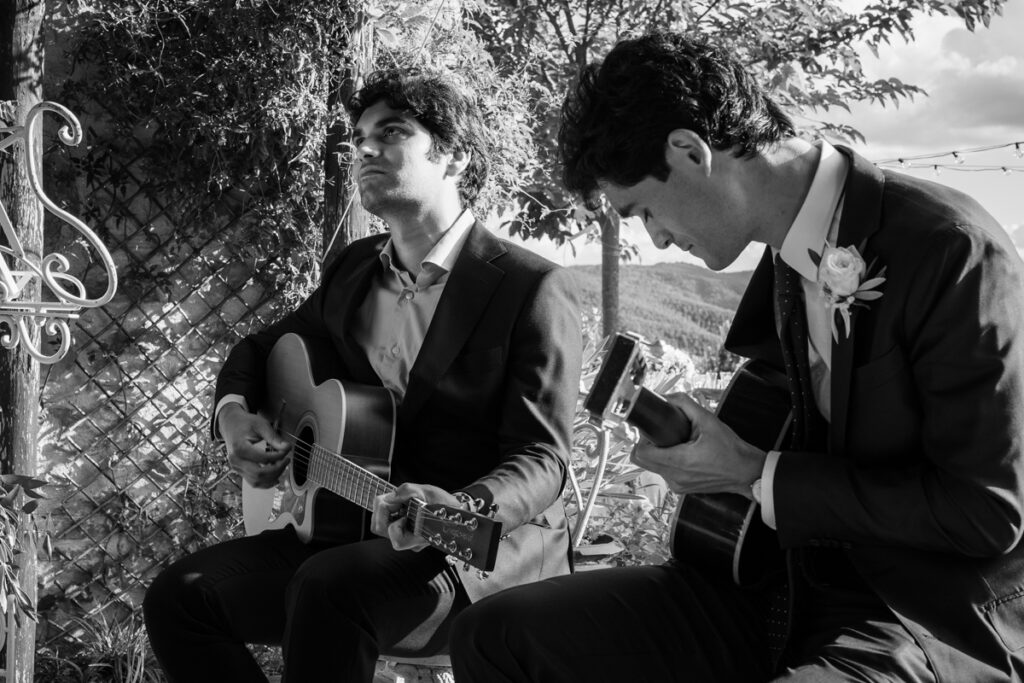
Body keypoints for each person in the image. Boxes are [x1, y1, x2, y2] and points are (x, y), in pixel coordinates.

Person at [449, 31, 1024, 682]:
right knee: (497, 634)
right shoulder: (783, 265)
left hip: (922, 611)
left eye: (641, 211)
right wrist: (708, 454)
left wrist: (757, 473)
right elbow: (783, 422)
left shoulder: (952, 248)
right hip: (773, 585)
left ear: (690, 152)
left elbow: (987, 513)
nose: (657, 236)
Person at [143, 68, 582, 682]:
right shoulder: (353, 267)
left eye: (392, 132)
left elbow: (542, 458)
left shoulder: (530, 287)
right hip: (346, 529)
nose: (365, 148)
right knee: (180, 597)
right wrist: (234, 416)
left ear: (453, 157)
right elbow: (261, 347)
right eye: (359, 135)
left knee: (331, 589)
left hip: (475, 556)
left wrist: (460, 509)